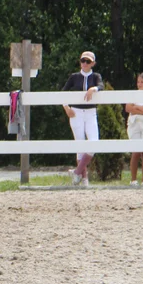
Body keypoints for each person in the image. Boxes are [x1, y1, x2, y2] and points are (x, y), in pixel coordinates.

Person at [62, 51, 102, 186]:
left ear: (93, 63)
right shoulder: (74, 76)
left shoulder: (96, 76)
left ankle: (77, 172)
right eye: (83, 61)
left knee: (93, 143)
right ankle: (84, 179)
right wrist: (67, 108)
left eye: (88, 61)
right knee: (80, 145)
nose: (85, 63)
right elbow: (63, 92)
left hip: (90, 112)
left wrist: (94, 89)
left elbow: (101, 86)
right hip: (76, 112)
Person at [125, 71, 143, 186]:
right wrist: (141, 109)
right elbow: (128, 108)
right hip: (134, 124)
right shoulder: (134, 94)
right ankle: (133, 180)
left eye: (142, 82)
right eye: (138, 82)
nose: (139, 84)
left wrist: (137, 107)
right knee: (135, 152)